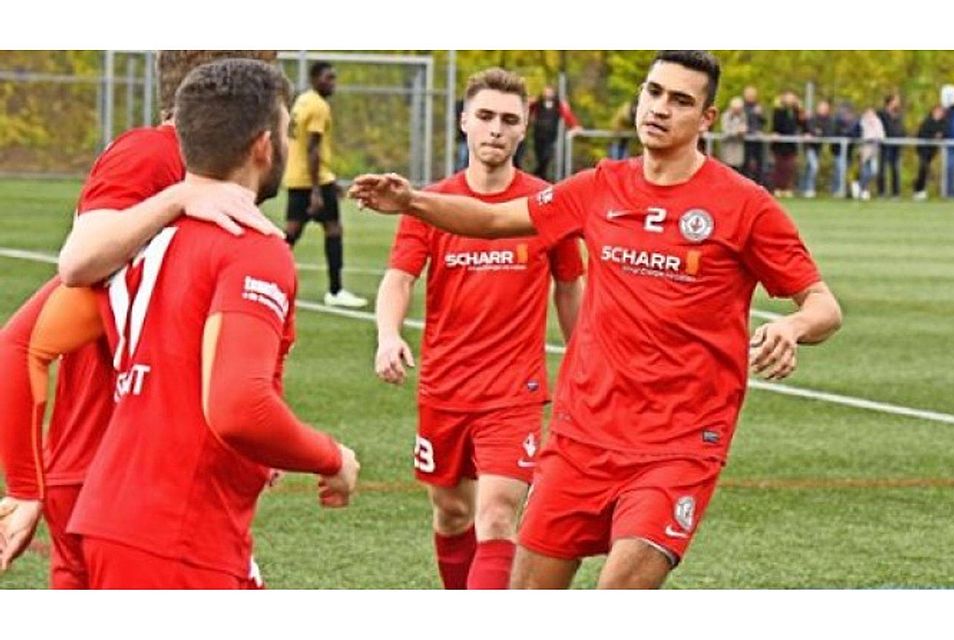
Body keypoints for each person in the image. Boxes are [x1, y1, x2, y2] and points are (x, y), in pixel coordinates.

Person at [350, 50, 843, 589]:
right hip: (581, 436)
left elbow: (822, 306)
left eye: (681, 100)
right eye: (653, 93)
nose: (660, 108)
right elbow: (493, 220)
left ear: (707, 119)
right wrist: (414, 202)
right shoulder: (600, 186)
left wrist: (791, 327)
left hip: (677, 446)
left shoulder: (745, 205)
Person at [59, 59, 358, 589]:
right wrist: (330, 456)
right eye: (287, 130)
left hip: (114, 515)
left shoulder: (149, 234)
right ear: (264, 146)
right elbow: (238, 408)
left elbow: (30, 336)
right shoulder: (254, 247)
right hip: (178, 535)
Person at [0, 50, 282, 588]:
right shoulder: (155, 153)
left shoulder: (204, 178)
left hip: (121, 475)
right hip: (123, 476)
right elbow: (71, 273)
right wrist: (23, 486)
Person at [374, 68, 584, 590]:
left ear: (524, 128)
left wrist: (584, 357)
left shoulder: (546, 203)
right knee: (452, 515)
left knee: (496, 517)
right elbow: (398, 279)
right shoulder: (431, 203)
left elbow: (570, 285)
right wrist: (387, 334)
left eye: (509, 120)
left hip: (513, 391)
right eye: (486, 116)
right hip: (444, 387)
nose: (496, 128)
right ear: (464, 121)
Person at [283, 61, 367, 308]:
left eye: (334, 78)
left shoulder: (302, 100)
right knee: (333, 231)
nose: (333, 83)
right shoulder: (319, 106)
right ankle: (335, 290)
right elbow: (312, 148)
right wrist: (318, 189)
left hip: (297, 178)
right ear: (315, 78)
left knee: (290, 235)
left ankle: (261, 278)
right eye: (328, 78)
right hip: (312, 181)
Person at [527, 85, 582, 180]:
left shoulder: (558, 104)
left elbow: (567, 115)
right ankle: (541, 176)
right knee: (539, 155)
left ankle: (536, 174)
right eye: (546, 91)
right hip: (538, 133)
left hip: (551, 135)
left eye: (550, 92)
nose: (548, 94)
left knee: (547, 155)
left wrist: (575, 126)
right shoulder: (538, 103)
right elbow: (527, 112)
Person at [913, 104, 948, 200]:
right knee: (923, 168)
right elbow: (922, 133)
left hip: (932, 150)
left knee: (926, 169)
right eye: (938, 111)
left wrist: (941, 135)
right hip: (923, 149)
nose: (939, 113)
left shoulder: (943, 123)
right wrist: (933, 136)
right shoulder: (927, 121)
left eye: (941, 112)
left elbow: (945, 132)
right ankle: (918, 189)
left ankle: (920, 189)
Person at [770, 91, 800, 197]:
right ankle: (778, 188)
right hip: (779, 144)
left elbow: (801, 124)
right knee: (779, 167)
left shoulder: (796, 112)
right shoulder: (778, 110)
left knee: (790, 167)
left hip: (791, 144)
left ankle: (787, 188)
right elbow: (775, 125)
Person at [801, 100, 833, 198]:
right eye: (821, 107)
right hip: (809, 147)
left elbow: (827, 132)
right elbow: (810, 129)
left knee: (810, 168)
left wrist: (818, 132)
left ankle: (805, 188)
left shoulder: (828, 120)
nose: (822, 110)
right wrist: (816, 132)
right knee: (813, 167)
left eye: (824, 108)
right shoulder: (812, 118)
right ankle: (809, 189)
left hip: (818, 147)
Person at [877, 95, 905, 197]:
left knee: (895, 169)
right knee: (882, 169)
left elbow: (901, 129)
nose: (897, 103)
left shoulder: (898, 115)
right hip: (884, 146)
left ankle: (895, 192)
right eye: (895, 101)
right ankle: (881, 192)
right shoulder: (881, 114)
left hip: (896, 146)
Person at [856, 107, 885, 201]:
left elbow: (881, 134)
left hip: (875, 148)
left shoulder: (878, 122)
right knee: (865, 169)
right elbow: (862, 134)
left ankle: (860, 185)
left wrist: (878, 138)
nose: (870, 116)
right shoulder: (862, 122)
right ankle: (863, 189)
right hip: (865, 147)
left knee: (874, 170)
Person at [742, 85, 767, 185]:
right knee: (746, 162)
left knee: (759, 162)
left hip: (758, 139)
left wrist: (760, 114)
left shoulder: (759, 106)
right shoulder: (742, 107)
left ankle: (759, 184)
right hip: (746, 139)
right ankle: (745, 184)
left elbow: (765, 122)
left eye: (752, 95)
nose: (751, 96)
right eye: (749, 94)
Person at [719, 96, 748, 172]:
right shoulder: (725, 116)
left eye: (740, 109)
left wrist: (743, 131)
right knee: (727, 169)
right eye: (736, 109)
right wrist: (737, 132)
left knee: (738, 170)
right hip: (728, 146)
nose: (738, 111)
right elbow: (725, 130)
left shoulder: (743, 115)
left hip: (738, 146)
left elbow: (744, 127)